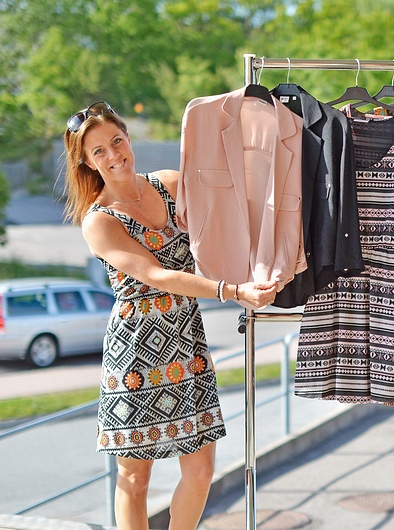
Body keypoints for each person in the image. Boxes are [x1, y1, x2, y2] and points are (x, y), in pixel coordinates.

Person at [63, 101, 277, 530]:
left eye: (117, 141)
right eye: (99, 151)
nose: (114, 154)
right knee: (135, 477)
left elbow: (227, 218)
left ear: (128, 138)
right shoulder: (98, 221)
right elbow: (157, 275)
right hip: (135, 351)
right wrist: (234, 292)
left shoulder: (171, 184)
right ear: (86, 161)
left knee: (200, 472)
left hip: (187, 342)